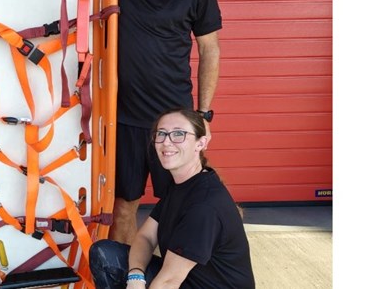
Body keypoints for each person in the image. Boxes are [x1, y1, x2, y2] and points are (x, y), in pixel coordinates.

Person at [110, 0, 222, 244]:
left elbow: (210, 50)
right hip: (123, 119)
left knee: (181, 205)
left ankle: (174, 272)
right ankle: (126, 271)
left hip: (175, 121)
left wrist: (203, 114)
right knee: (123, 206)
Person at [90, 108, 254, 288]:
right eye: (161, 134)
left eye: (178, 134)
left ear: (200, 143)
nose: (166, 142)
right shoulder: (181, 185)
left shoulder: (204, 206)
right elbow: (146, 237)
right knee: (105, 254)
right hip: (186, 280)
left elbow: (168, 283)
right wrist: (135, 276)